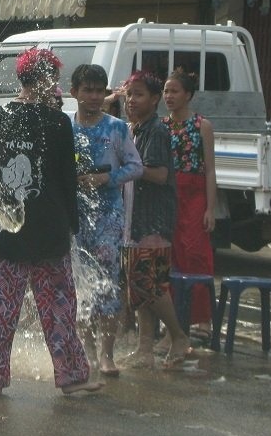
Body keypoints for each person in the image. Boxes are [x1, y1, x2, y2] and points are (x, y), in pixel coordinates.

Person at [0, 48, 100, 397]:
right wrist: (71, 228)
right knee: (58, 305)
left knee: (3, 305)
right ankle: (73, 376)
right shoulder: (58, 121)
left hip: (7, 227)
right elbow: (67, 181)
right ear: (45, 80)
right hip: (50, 229)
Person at [69, 63, 143, 377]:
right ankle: (84, 349)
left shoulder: (117, 128)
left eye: (100, 91)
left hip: (108, 219)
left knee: (108, 287)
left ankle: (107, 354)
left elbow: (136, 167)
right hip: (74, 217)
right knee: (79, 287)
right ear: (73, 92)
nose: (95, 96)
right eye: (88, 90)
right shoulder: (65, 127)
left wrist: (107, 179)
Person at [116, 70, 188, 369]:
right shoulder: (135, 128)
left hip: (152, 221)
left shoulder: (156, 131)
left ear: (155, 100)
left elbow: (159, 174)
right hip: (135, 218)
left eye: (139, 95)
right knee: (139, 285)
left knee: (150, 284)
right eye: (129, 94)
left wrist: (132, 166)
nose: (131, 100)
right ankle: (145, 349)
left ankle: (178, 336)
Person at [163, 68, 217, 339]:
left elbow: (209, 170)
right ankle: (173, 317)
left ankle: (202, 320)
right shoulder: (162, 125)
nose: (169, 96)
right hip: (168, 196)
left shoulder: (201, 126)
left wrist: (210, 208)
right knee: (169, 255)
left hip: (195, 195)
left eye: (174, 91)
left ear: (188, 95)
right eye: (165, 91)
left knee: (195, 254)